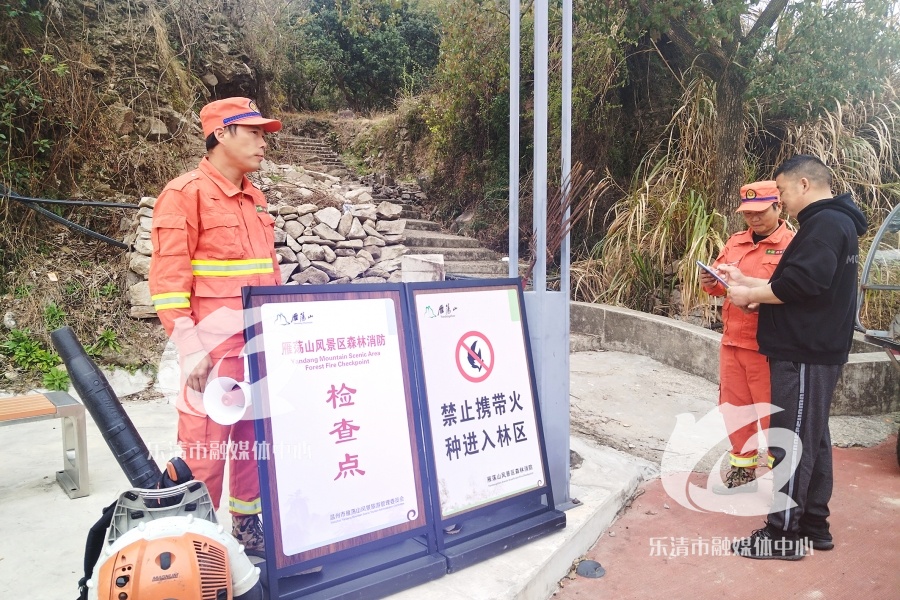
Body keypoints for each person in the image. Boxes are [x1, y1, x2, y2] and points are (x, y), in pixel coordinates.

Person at [149, 97, 282, 556]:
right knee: (204, 449)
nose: (263, 143)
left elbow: (268, 274)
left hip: (256, 347)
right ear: (221, 134)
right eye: (255, 133)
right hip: (212, 352)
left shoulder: (255, 199)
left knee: (252, 444)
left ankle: (246, 527)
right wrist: (189, 346)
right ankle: (195, 542)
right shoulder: (183, 195)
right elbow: (168, 284)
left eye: (264, 134)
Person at [721, 155, 867, 560]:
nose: (781, 199)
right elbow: (802, 281)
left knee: (793, 441)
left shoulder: (824, 224)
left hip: (804, 351)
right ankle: (814, 524)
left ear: (804, 184)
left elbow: (801, 283)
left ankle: (782, 533)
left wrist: (750, 295)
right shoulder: (833, 222)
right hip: (814, 349)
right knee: (812, 437)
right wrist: (749, 282)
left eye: (782, 191)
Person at [700, 180, 794, 494]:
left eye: (760, 211)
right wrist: (710, 281)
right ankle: (743, 470)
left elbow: (793, 293)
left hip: (767, 347)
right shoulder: (736, 242)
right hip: (732, 343)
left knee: (772, 413)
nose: (753, 218)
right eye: (748, 213)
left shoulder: (792, 245)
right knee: (735, 409)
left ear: (778, 207)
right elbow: (719, 284)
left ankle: (783, 477)